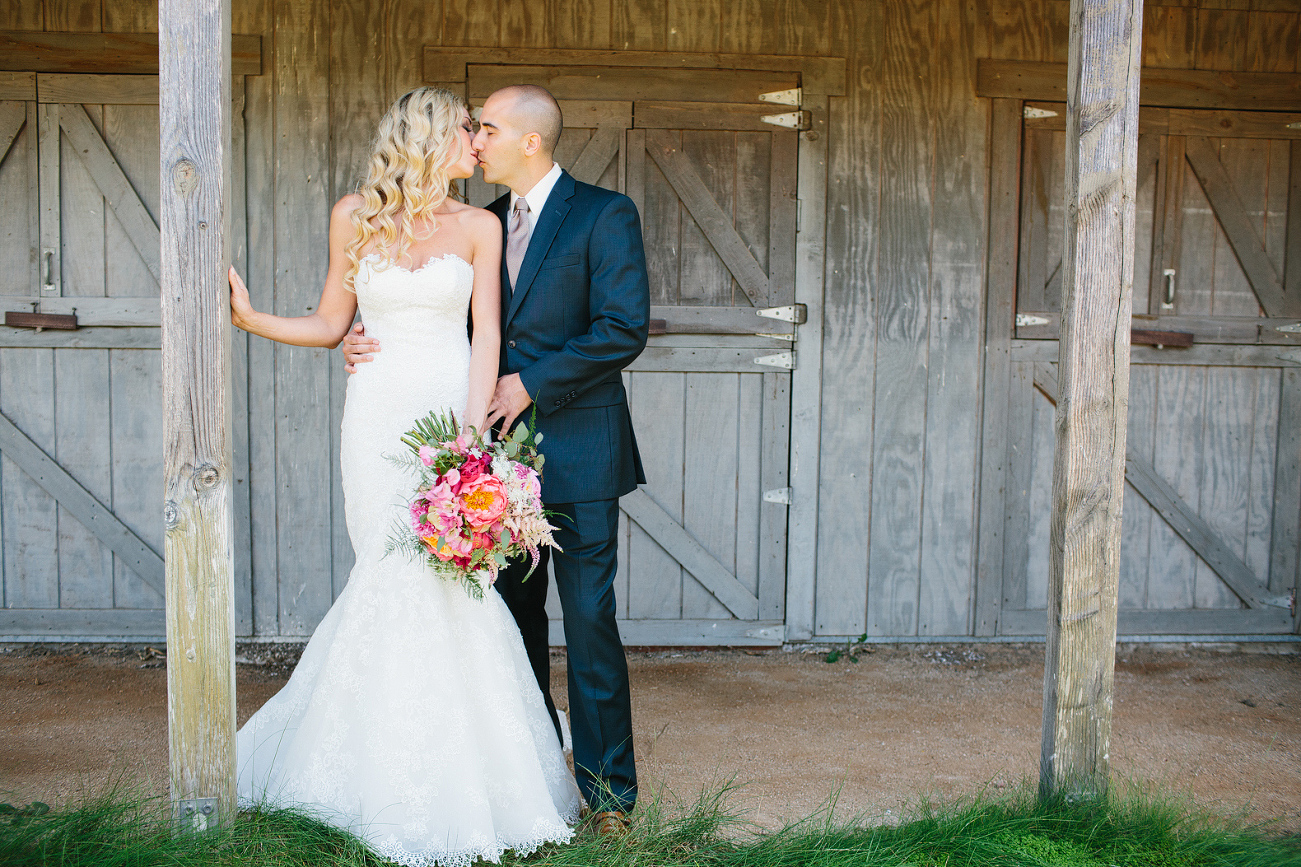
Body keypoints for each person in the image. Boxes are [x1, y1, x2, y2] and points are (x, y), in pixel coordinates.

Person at [228, 87, 581, 867]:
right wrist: (254, 320)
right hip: (376, 416)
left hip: (448, 411)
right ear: (429, 139)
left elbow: (486, 331)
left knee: (451, 582)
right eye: (467, 132)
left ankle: (465, 774)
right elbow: (329, 323)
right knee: (388, 570)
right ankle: (367, 764)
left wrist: (472, 435)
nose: (477, 145)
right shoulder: (355, 214)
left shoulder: (480, 225)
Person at [343, 85, 651, 834]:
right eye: (470, 128)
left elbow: (623, 328)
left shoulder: (604, 215)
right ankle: (532, 777)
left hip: (577, 451)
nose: (473, 139)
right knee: (506, 622)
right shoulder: (473, 222)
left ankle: (609, 797)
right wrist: (359, 335)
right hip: (484, 461)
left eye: (484, 127)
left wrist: (529, 381)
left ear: (529, 142)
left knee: (588, 619)